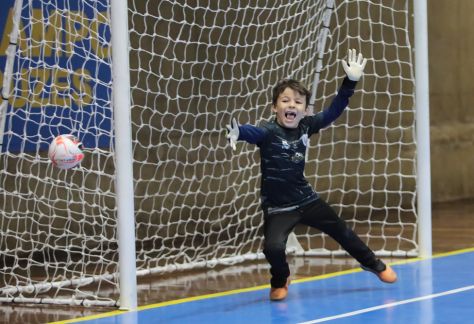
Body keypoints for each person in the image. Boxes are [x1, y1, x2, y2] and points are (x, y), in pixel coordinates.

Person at [226, 49, 397, 301]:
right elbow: (252, 133)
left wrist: (350, 82)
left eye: (297, 101)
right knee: (272, 248)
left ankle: (373, 263)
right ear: (275, 107)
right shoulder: (268, 132)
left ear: (305, 110)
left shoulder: (308, 125)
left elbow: (333, 111)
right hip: (278, 208)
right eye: (285, 100)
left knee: (343, 232)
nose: (291, 105)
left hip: (307, 200)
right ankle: (280, 279)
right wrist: (239, 132)